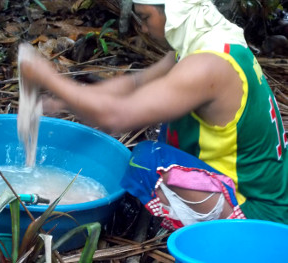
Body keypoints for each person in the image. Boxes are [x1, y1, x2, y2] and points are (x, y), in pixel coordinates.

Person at [18, 0, 288, 228]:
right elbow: (135, 85)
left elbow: (115, 117)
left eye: (146, 17)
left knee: (149, 162)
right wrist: (65, 99)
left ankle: (223, 240)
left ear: (173, 12)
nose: (144, 28)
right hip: (254, 192)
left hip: (257, 217)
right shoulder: (209, 43)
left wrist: (49, 77)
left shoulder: (208, 66)